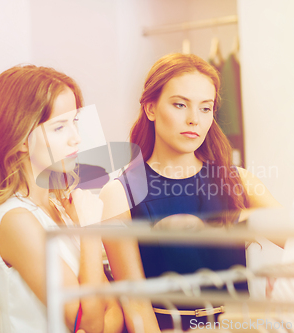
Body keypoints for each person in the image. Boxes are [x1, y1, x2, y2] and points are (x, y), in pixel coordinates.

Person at [99, 53, 281, 332]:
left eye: (205, 108)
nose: (194, 119)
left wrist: (285, 269)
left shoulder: (239, 179)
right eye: (180, 105)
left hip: (237, 324)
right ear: (150, 108)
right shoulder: (119, 193)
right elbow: (135, 302)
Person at [0, 65, 124, 333]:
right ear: (21, 138)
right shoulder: (15, 219)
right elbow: (90, 322)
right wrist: (90, 231)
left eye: (75, 122)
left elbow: (113, 313)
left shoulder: (59, 208)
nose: (76, 139)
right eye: (59, 128)